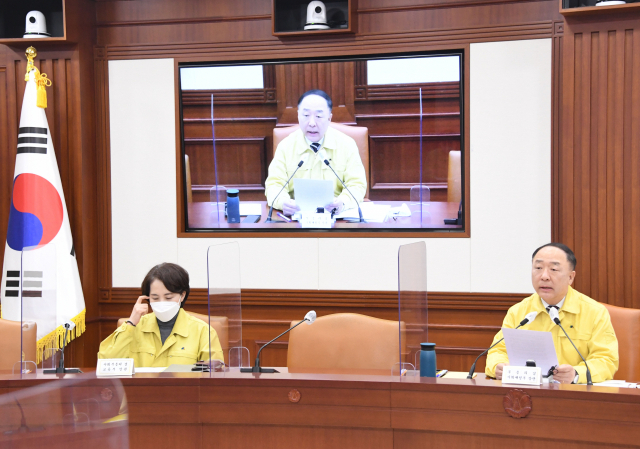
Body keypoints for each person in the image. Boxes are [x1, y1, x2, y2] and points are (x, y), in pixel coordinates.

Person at [485, 243, 618, 384]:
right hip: (528, 393)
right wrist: (498, 366)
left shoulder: (594, 312)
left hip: (574, 394)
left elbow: (606, 360)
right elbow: (497, 351)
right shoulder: (519, 311)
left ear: (571, 277)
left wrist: (576, 374)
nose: (544, 276)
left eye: (554, 269)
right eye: (538, 268)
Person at [98, 263, 224, 367]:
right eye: (155, 298)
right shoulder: (134, 327)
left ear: (182, 295)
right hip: (139, 394)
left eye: (168, 297)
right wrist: (131, 323)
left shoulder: (203, 331)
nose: (162, 303)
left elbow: (216, 374)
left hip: (184, 396)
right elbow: (105, 363)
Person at [265, 89, 367, 216]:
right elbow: (274, 184)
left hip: (336, 217)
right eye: (306, 115)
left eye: (319, 116)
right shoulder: (286, 146)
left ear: (329, 118)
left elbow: (357, 185)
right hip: (297, 218)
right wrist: (283, 202)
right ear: (298, 116)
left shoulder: (347, 144)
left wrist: (342, 203)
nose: (312, 123)